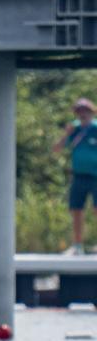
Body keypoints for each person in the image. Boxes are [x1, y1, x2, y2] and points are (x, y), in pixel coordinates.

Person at [53, 98, 97, 255]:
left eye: (85, 110)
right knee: (76, 209)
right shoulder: (75, 130)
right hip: (79, 176)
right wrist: (67, 133)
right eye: (79, 111)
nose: (82, 114)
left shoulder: (95, 128)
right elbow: (57, 149)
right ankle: (77, 246)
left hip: (96, 176)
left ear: (92, 112)